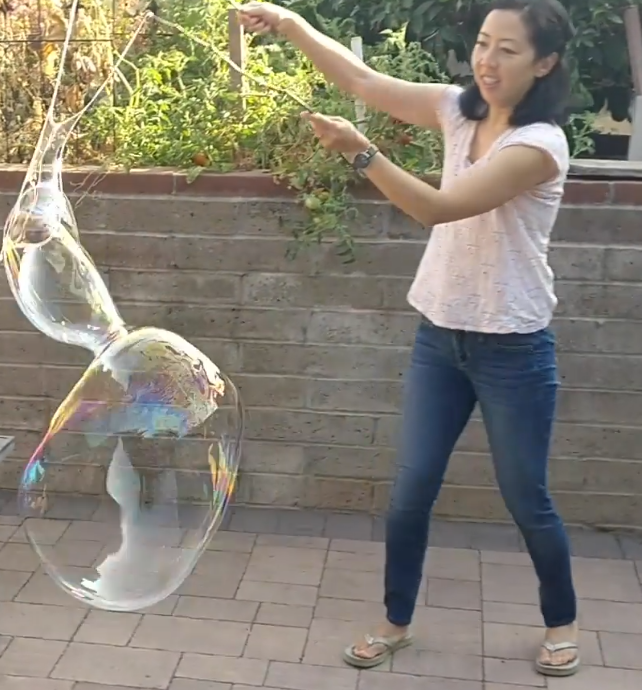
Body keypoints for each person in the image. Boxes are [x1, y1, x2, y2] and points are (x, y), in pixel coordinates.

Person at [238, 0, 580, 678]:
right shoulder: (460, 110)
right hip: (440, 337)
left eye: (507, 50)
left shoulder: (540, 147)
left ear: (544, 63)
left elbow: (439, 207)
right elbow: (365, 83)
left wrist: (361, 153)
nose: (488, 60)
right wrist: (290, 24)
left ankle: (561, 621)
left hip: (513, 345)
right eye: (484, 43)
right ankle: (396, 622)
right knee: (410, 490)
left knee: (525, 496)